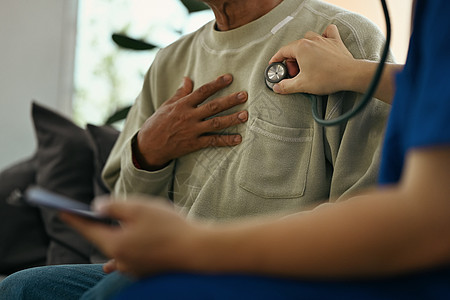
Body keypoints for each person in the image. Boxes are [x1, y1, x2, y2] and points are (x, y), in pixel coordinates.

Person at [55, 0, 450, 298]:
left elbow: (378, 204)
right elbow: (125, 216)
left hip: (280, 268)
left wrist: (197, 250)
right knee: (23, 288)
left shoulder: (340, 35)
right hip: (174, 260)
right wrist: (147, 153)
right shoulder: (169, 62)